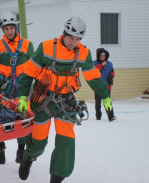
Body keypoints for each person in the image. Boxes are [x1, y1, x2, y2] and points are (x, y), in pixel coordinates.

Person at [16, 17, 113, 183]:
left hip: (66, 102)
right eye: (71, 38)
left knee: (66, 143)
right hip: (42, 100)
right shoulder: (46, 48)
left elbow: (93, 77)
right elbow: (29, 72)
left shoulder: (83, 52)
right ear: (64, 34)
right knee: (38, 142)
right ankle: (29, 157)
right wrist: (23, 96)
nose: (73, 43)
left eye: (77, 40)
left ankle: (57, 177)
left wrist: (105, 97)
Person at [0, 12, 34, 164]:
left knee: (22, 119)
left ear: (15, 27)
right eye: (7, 29)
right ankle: (0, 147)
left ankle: (20, 150)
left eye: (12, 28)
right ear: (2, 30)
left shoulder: (27, 45)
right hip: (3, 88)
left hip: (22, 89)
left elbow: (34, 67)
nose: (10, 31)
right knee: (0, 119)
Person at [94, 48, 116, 121]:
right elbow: (93, 71)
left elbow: (112, 72)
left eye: (104, 55)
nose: (103, 57)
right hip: (98, 86)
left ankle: (111, 116)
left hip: (107, 86)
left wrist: (111, 76)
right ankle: (98, 116)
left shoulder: (109, 64)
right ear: (98, 56)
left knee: (107, 102)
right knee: (98, 102)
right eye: (101, 55)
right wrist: (101, 65)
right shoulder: (95, 63)